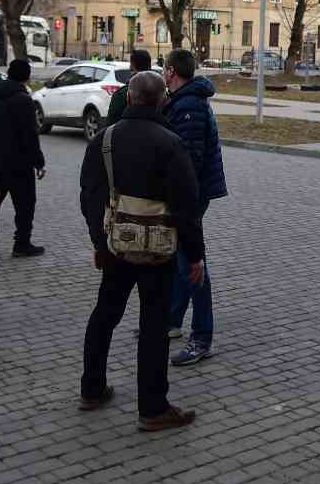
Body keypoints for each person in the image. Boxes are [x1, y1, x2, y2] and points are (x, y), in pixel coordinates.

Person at [78, 70, 202, 430]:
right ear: (163, 100)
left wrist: (99, 242)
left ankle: (92, 388)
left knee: (105, 314)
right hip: (158, 252)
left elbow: (90, 197)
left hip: (117, 246)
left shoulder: (104, 140)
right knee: (153, 325)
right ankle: (152, 408)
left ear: (128, 98)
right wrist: (194, 256)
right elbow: (186, 206)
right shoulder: (171, 143)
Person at [163, 48, 225, 367]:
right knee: (180, 258)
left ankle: (202, 337)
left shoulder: (188, 105)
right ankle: (172, 321)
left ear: (171, 71)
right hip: (187, 193)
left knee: (193, 261)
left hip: (189, 195)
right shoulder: (185, 100)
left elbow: (188, 158)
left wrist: (181, 197)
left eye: (165, 69)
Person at [0, 58, 47, 258]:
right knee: (25, 206)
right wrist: (39, 162)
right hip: (19, 164)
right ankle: (22, 244)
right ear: (26, 77)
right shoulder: (23, 100)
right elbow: (29, 134)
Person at [106, 49, 154, 130]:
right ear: (149, 66)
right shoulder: (158, 91)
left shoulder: (122, 94)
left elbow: (110, 125)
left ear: (132, 66)